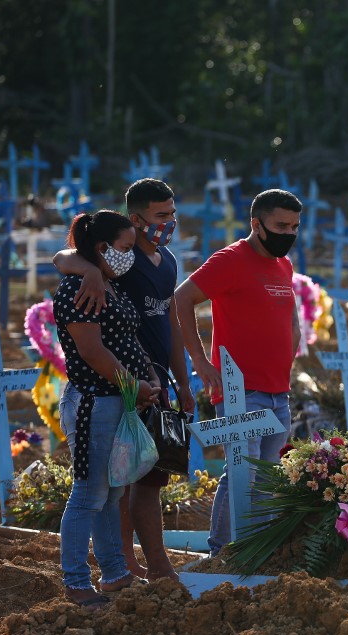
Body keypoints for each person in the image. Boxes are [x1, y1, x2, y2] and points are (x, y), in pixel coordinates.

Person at [53, 178, 195, 581]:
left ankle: (130, 567)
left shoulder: (163, 261)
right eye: (161, 215)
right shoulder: (110, 268)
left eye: (172, 213)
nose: (170, 222)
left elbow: (169, 321)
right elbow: (65, 257)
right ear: (136, 219)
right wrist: (89, 272)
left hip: (148, 386)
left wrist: (178, 381)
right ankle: (121, 567)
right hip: (111, 390)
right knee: (108, 488)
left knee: (141, 478)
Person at [175, 189, 302, 556]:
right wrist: (200, 361)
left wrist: (288, 353)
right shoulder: (230, 260)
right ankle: (222, 555)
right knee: (241, 475)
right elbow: (182, 299)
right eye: (281, 225)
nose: (288, 233)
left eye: (294, 227)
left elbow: (289, 319)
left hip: (278, 391)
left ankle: (256, 552)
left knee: (266, 478)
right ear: (256, 224)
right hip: (239, 391)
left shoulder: (284, 266)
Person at [53, 210, 162, 611]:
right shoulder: (75, 290)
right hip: (95, 401)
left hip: (122, 399)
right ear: (102, 248)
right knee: (88, 493)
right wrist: (136, 385)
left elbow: (129, 340)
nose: (129, 256)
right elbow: (92, 351)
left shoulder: (108, 285)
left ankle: (115, 572)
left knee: (113, 492)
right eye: (125, 248)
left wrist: (148, 379)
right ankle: (77, 582)